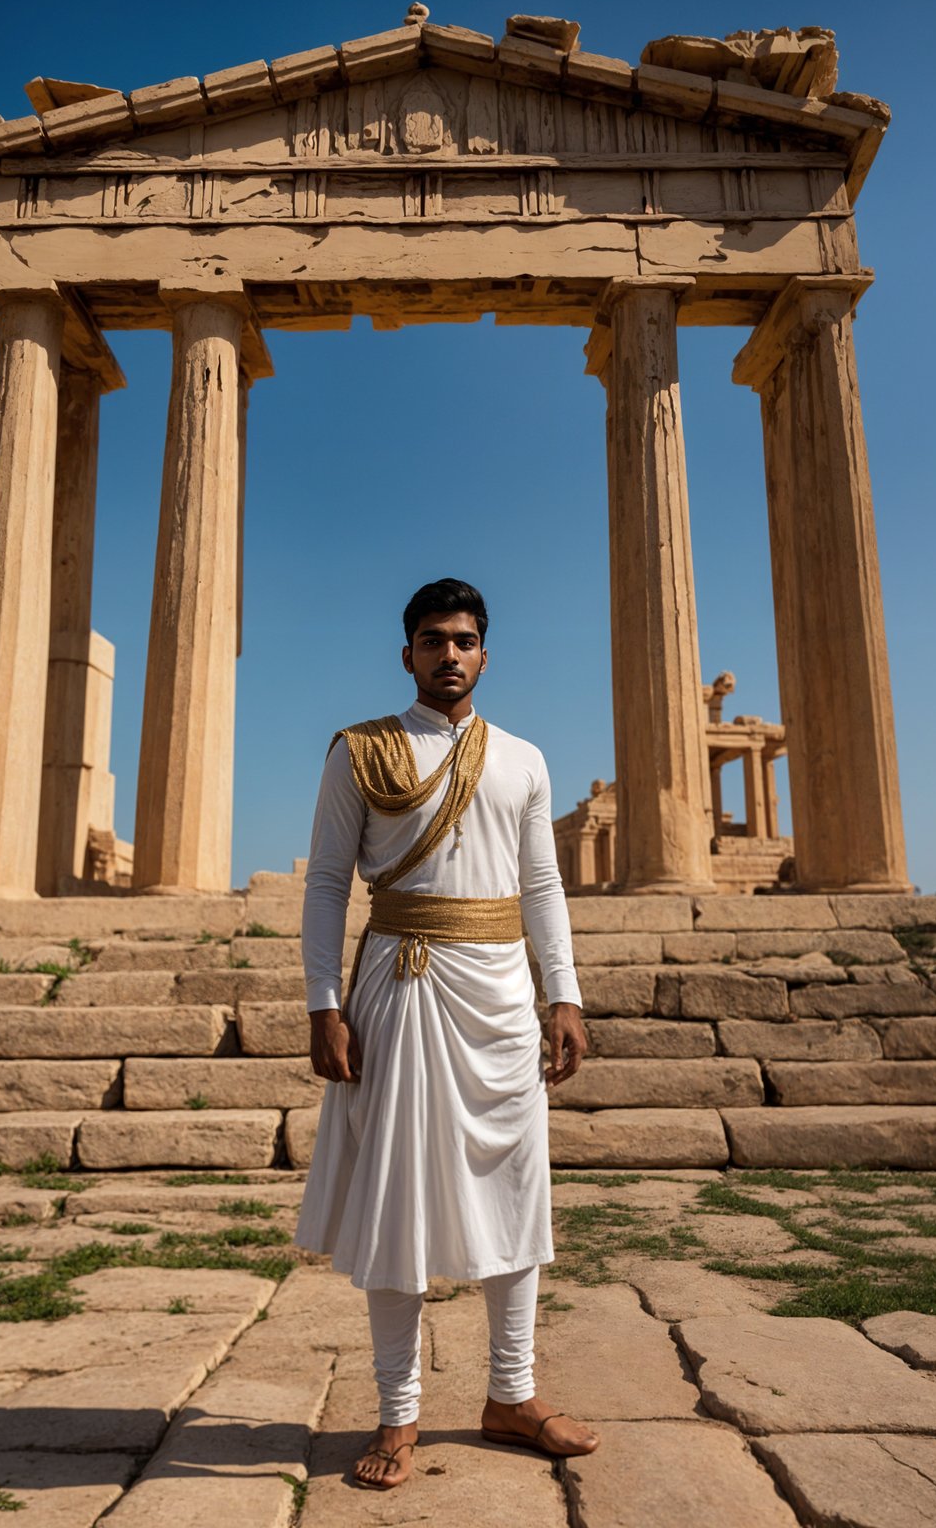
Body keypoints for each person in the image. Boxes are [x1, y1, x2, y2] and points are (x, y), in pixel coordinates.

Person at [294, 577, 599, 1490]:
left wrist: (565, 995)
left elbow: (541, 886)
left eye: (465, 640)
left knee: (516, 1191)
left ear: (485, 654)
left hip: (502, 992)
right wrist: (323, 1002)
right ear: (409, 655)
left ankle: (513, 1394)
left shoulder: (523, 759)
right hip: (401, 981)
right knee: (397, 1199)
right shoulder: (362, 752)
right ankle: (398, 1414)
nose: (450, 654)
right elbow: (326, 885)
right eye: (433, 640)